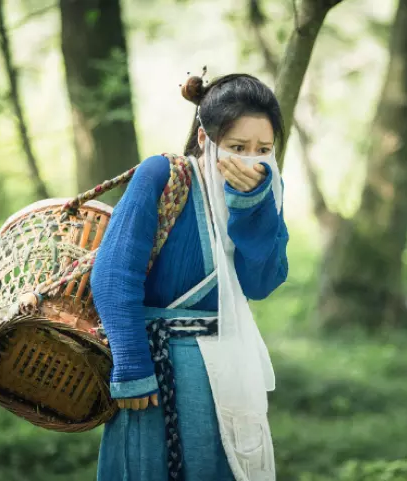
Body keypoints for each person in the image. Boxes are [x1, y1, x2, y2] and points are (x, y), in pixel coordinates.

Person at [90, 72, 289, 481]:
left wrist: (251, 206)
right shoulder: (161, 177)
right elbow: (113, 275)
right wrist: (131, 368)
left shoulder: (269, 190)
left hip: (231, 370)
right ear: (205, 140)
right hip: (157, 372)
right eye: (236, 147)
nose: (250, 159)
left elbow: (261, 283)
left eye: (263, 149)